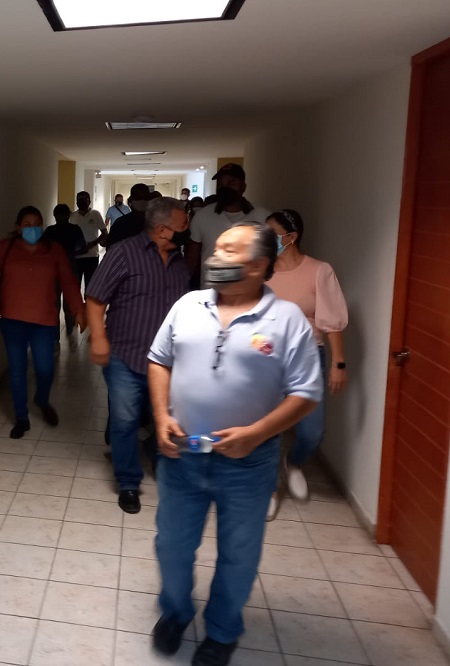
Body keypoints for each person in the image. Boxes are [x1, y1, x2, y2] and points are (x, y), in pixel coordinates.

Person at [146, 222, 322, 666]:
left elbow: (306, 392)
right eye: (217, 249)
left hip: (248, 463)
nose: (214, 257)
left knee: (239, 553)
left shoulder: (287, 320)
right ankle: (175, 612)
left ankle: (223, 631)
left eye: (228, 250)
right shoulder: (188, 305)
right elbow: (159, 360)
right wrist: (162, 416)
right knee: (172, 545)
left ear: (259, 264)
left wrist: (256, 434)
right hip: (182, 454)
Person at [86, 197, 191, 514]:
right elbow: (95, 298)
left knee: (164, 418)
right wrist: (99, 339)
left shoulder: (180, 260)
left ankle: (156, 453)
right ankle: (128, 482)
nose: (188, 229)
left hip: (168, 362)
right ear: (163, 229)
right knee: (125, 420)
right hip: (125, 355)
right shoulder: (123, 253)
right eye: (183, 224)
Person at [264, 209, 348, 519]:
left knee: (312, 431)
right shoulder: (262, 269)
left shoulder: (319, 271)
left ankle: (295, 463)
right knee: (269, 428)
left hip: (309, 356)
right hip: (268, 357)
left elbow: (332, 320)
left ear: (291, 237)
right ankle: (270, 489)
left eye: (272, 234)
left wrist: (338, 363)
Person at [0, 206, 86, 438]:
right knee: (17, 371)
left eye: (37, 224)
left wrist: (78, 309)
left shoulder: (54, 250)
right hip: (12, 320)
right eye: (27, 225)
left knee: (45, 368)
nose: (32, 229)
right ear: (18, 228)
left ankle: (42, 400)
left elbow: (69, 281)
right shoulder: (5, 248)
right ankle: (21, 418)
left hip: (44, 321)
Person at [187, 163, 270, 287]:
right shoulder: (202, 216)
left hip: (251, 293)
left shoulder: (263, 217)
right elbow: (192, 260)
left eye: (231, 183)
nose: (225, 188)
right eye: (220, 184)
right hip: (211, 293)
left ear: (243, 187)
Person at [44, 203, 87, 350]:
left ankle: (56, 338)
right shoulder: (74, 229)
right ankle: (70, 332)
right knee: (69, 304)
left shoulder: (50, 231)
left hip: (54, 271)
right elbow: (82, 248)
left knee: (54, 306)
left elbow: (43, 249)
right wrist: (70, 252)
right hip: (69, 269)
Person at [70, 190, 108, 290]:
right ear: (76, 202)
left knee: (91, 288)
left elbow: (105, 233)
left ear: (89, 201)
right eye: (79, 200)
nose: (81, 201)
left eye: (84, 199)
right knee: (75, 287)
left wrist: (93, 243)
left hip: (92, 256)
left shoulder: (95, 214)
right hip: (76, 257)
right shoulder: (72, 216)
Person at [107, 183, 153, 247]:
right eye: (138, 198)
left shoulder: (120, 223)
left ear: (130, 202)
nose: (141, 201)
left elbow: (110, 248)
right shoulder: (157, 223)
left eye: (143, 198)